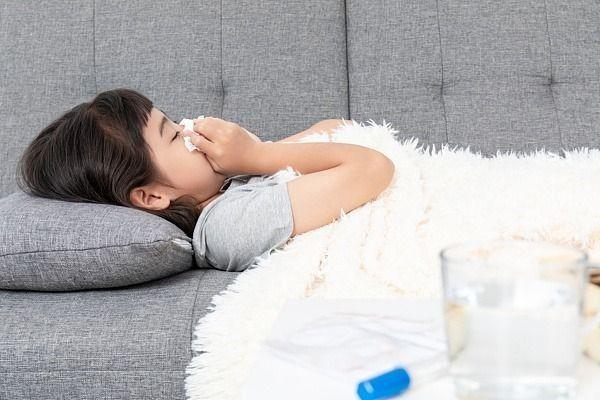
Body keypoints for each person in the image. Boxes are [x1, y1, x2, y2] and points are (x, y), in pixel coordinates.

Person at [17, 88, 394, 271]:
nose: (189, 129)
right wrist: (259, 156)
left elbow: (339, 128)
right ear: (152, 197)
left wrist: (257, 153)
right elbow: (372, 168)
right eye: (171, 134)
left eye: (175, 120)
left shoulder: (230, 183)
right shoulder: (226, 227)